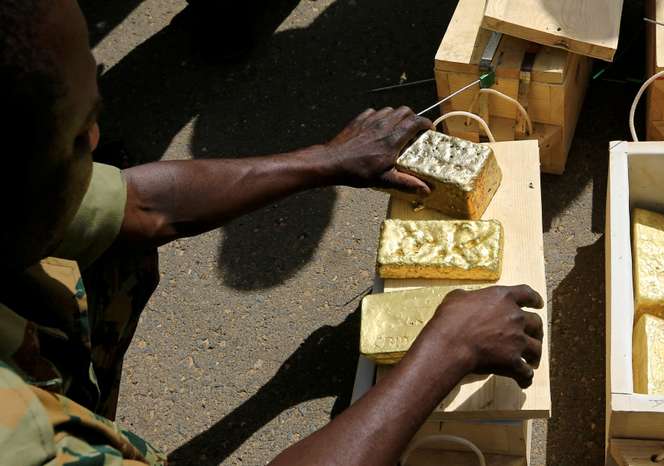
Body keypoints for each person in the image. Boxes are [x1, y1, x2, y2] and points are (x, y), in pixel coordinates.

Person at [0, 1, 546, 465]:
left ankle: (82, 398)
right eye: (76, 136)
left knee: (119, 252)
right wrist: (446, 349)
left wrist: (327, 160)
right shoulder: (17, 436)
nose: (96, 138)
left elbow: (142, 204)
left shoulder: (19, 191)